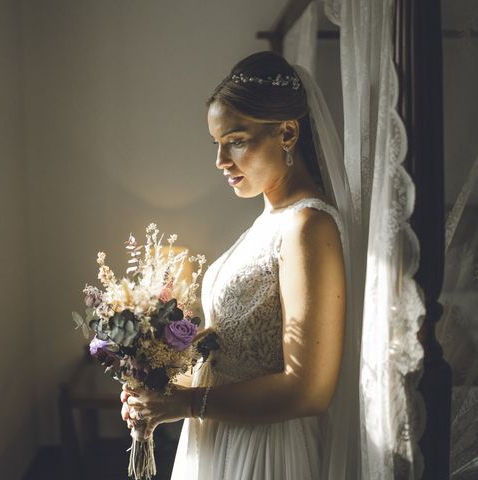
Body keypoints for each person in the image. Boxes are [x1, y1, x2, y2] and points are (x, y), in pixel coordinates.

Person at [120, 51, 360, 479]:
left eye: (236, 140)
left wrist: (189, 404)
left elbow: (310, 390)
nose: (221, 162)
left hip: (265, 451)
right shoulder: (269, 222)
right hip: (221, 437)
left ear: (287, 133)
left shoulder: (308, 226)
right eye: (217, 144)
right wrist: (161, 391)